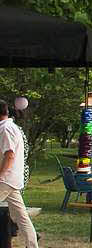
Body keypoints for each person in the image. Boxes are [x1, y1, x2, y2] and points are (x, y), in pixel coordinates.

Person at [0, 100, 37, 248]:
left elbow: (9, 155)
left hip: (5, 180)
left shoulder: (6, 129)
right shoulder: (8, 127)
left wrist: (1, 175)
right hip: (11, 180)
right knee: (21, 217)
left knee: (21, 217)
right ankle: (32, 245)